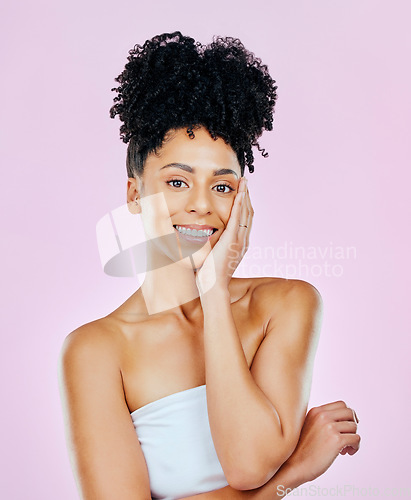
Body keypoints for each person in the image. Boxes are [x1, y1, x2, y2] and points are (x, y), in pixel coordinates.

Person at [58, 31, 360, 499]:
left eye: (222, 187)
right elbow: (258, 478)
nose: (202, 206)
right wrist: (293, 473)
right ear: (135, 195)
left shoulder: (285, 304)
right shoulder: (97, 351)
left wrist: (214, 291)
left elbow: (247, 462)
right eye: (178, 182)